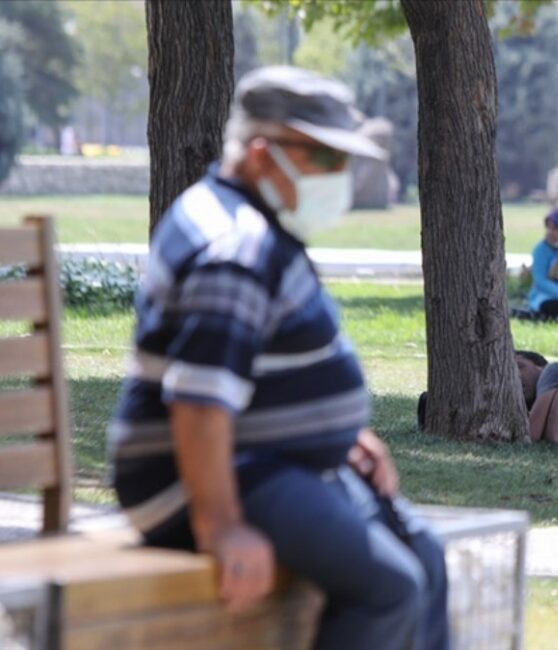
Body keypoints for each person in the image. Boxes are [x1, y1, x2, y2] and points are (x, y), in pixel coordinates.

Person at [107, 66, 448, 650]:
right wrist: (222, 526)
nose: (340, 177)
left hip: (265, 461)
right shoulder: (235, 251)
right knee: (388, 590)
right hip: (197, 482)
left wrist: (336, 435)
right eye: (326, 159)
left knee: (426, 557)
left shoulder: (252, 221)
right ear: (264, 154)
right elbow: (197, 401)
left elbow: (260, 368)